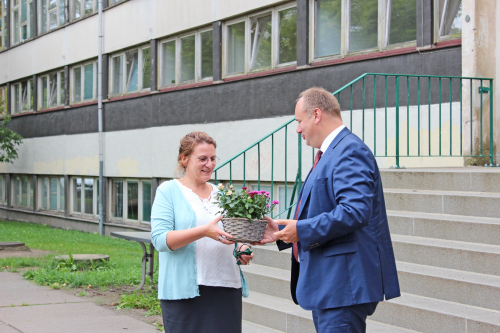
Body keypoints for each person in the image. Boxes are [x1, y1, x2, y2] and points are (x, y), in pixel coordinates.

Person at [258, 87, 401, 332]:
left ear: (316, 114)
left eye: (299, 121)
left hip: (343, 286)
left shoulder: (349, 151)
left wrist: (301, 230)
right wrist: (282, 231)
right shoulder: (331, 153)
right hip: (332, 285)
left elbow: (354, 211)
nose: (298, 129)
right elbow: (324, 208)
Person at [150, 131, 254, 333]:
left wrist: (240, 247)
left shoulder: (222, 194)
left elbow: (229, 235)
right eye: (203, 159)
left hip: (226, 287)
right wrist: (203, 232)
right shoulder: (168, 191)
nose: (210, 164)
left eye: (213, 158)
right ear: (185, 159)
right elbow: (160, 240)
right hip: (185, 293)